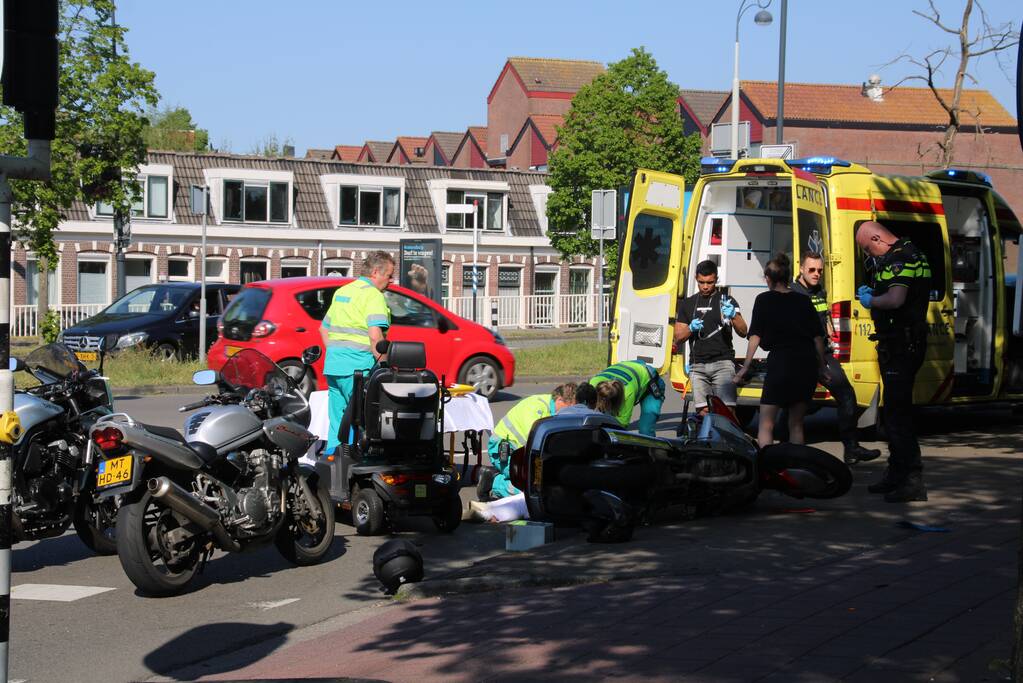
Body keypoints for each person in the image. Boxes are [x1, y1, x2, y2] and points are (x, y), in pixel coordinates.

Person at [855, 220, 932, 502]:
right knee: (893, 413)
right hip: (904, 342)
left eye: (868, 249)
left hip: (901, 343)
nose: (871, 256)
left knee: (898, 415)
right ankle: (897, 473)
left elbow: (896, 299)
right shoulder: (915, 253)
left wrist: (871, 301)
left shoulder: (899, 258)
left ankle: (911, 479)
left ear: (877, 238)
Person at [790, 252, 882, 465]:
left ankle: (851, 449)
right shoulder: (793, 294)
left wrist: (830, 329)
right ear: (801, 268)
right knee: (796, 407)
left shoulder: (819, 291)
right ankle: (792, 457)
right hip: (803, 356)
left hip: (824, 352)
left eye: (820, 270)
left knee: (848, 396)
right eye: (812, 270)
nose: (816, 274)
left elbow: (824, 315)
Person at [734, 254, 829, 450]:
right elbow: (817, 338)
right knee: (796, 424)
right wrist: (822, 368)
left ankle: (767, 468)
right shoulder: (803, 301)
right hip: (805, 364)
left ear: (768, 279)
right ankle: (796, 466)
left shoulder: (764, 300)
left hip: (781, 364)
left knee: (766, 424)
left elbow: (755, 336)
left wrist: (744, 368)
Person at [320, 251, 395, 455]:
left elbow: (323, 328)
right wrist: (384, 367)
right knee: (359, 420)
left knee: (337, 422)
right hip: (358, 369)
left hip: (334, 366)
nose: (391, 281)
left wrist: (337, 352)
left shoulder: (343, 292)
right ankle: (350, 468)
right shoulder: (372, 295)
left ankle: (332, 466)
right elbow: (375, 336)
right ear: (376, 272)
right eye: (389, 275)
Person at [674, 260, 748, 415]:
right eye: (701, 282)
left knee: (726, 411)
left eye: (710, 282)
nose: (705, 286)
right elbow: (678, 338)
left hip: (723, 363)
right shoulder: (688, 304)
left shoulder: (726, 301)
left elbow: (743, 331)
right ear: (696, 278)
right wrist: (690, 328)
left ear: (716, 279)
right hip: (698, 365)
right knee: (703, 411)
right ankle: (708, 438)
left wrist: (734, 315)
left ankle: (727, 439)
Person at [487, 383, 577, 499]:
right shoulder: (537, 408)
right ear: (560, 400)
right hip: (503, 449)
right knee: (530, 491)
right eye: (570, 408)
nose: (571, 413)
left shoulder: (553, 410)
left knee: (543, 484)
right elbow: (533, 445)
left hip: (521, 453)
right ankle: (493, 482)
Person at [589, 361, 666, 436]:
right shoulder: (593, 384)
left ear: (617, 402)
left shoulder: (627, 393)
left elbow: (621, 427)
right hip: (633, 368)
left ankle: (650, 448)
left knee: (645, 429)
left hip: (651, 383)